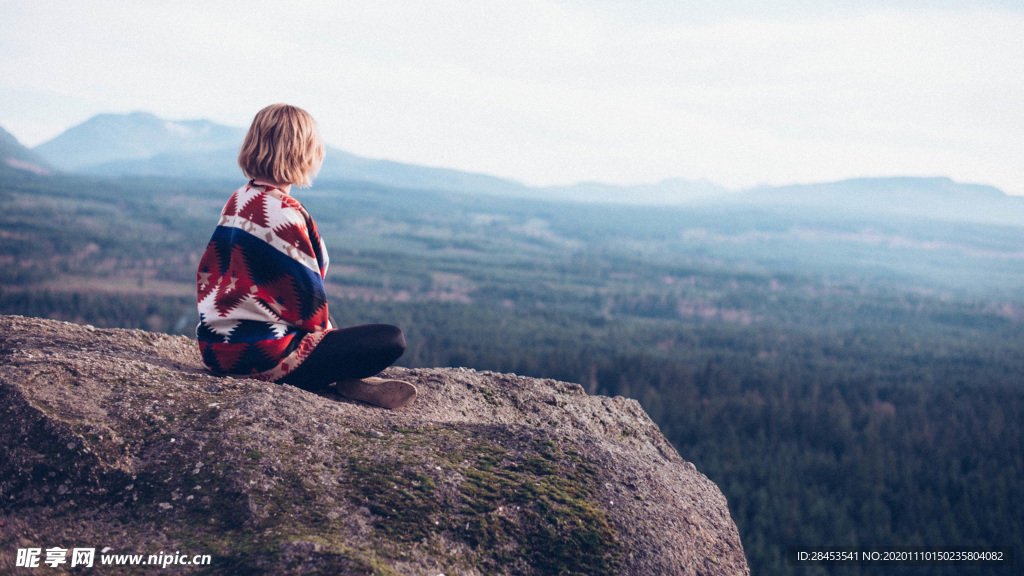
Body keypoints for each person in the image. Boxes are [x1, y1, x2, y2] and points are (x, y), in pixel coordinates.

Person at [195, 103, 416, 409]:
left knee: (338, 336)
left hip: (217, 349)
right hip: (264, 355)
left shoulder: (239, 198)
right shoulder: (285, 211)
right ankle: (345, 381)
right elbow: (308, 309)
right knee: (390, 340)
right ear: (303, 152)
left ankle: (347, 381)